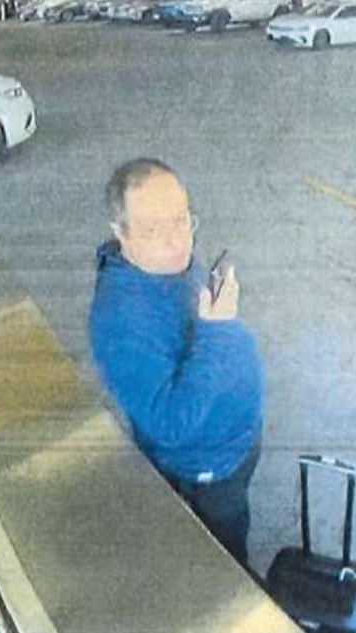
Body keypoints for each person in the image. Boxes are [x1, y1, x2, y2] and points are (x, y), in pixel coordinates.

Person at [88, 158, 264, 566]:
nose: (176, 241)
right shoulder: (119, 324)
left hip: (231, 445)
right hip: (207, 467)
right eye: (152, 230)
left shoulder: (166, 262)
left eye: (182, 220)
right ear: (121, 233)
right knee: (222, 553)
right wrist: (220, 331)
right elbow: (169, 423)